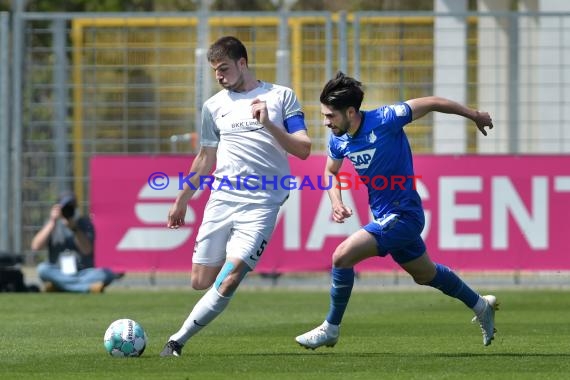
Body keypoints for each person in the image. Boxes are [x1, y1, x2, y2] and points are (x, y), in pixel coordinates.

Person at [295, 71, 498, 349]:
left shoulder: (387, 118)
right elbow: (330, 171)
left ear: (351, 112)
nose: (325, 122)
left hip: (404, 214)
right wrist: (336, 201)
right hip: (384, 215)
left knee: (341, 257)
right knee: (425, 275)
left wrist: (473, 114)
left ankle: (331, 327)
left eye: (330, 116)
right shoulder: (338, 139)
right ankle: (480, 305)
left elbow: (433, 101)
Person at [160, 36, 311, 357]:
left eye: (224, 68)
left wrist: (268, 123)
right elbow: (204, 158)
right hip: (221, 200)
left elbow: (303, 149)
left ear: (243, 63)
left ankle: (176, 341)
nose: (219, 76)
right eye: (215, 70)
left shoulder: (281, 97)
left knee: (229, 278)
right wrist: (182, 199)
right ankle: (220, 281)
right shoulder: (214, 106)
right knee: (200, 281)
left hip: (262, 205)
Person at [31, 191, 118, 293]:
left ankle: (61, 286)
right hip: (59, 271)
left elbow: (87, 250)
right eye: (66, 207)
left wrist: (74, 228)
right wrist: (52, 222)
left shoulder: (85, 223)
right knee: (42, 269)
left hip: (83, 272)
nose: (69, 210)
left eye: (72, 206)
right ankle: (86, 288)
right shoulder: (52, 224)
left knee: (108, 273)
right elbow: (35, 246)